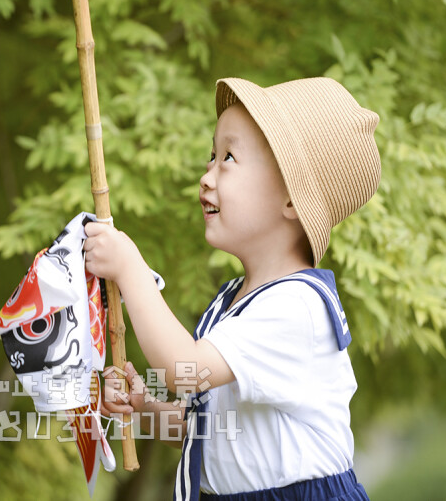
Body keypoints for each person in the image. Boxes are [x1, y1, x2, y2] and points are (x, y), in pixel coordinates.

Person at [83, 77, 378, 501]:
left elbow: (185, 370)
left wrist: (130, 269)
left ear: (292, 200)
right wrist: (145, 408)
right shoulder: (235, 303)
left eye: (228, 158)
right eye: (211, 156)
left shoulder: (296, 307)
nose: (206, 177)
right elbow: (207, 433)